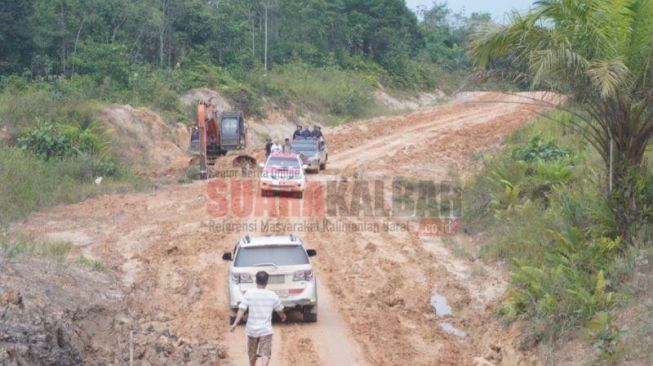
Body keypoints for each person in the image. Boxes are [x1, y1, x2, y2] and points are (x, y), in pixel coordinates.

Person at [230, 271, 286, 366]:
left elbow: (242, 309)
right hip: (265, 330)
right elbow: (279, 310)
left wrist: (235, 323)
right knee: (266, 352)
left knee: (252, 353)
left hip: (252, 330)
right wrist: (283, 316)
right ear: (267, 281)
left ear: (256, 280)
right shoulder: (272, 295)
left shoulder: (249, 293)